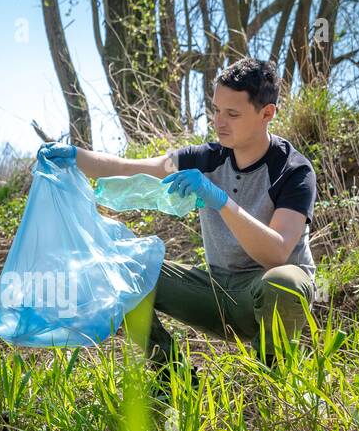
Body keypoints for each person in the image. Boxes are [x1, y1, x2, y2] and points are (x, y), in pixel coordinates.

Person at [37, 57, 319, 386]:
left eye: (232, 114)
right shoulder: (206, 158)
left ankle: (275, 384)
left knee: (285, 281)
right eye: (215, 109)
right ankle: (176, 379)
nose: (219, 122)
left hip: (265, 296)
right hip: (216, 293)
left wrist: (221, 201)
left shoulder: (293, 171)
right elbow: (129, 167)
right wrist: (73, 157)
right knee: (123, 269)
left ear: (266, 114)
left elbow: (278, 253)